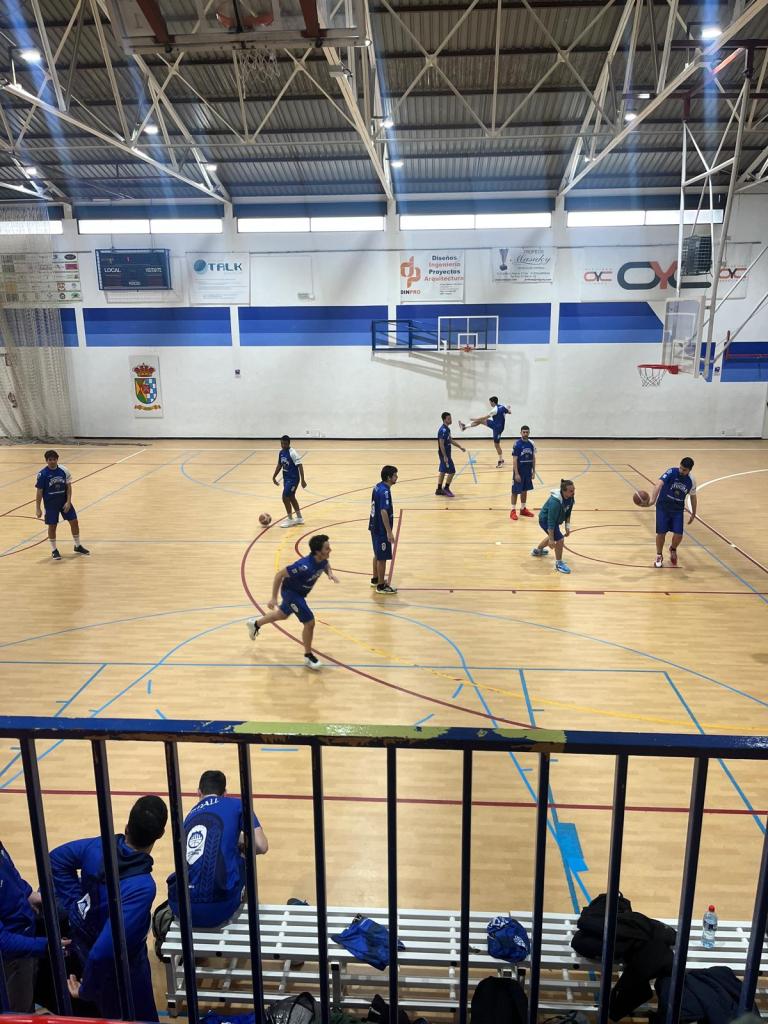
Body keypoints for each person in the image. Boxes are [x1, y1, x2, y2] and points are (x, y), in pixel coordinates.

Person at [49, 795, 168, 1022]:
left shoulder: (98, 847)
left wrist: (77, 906)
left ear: (127, 827)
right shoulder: (142, 887)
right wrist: (87, 990)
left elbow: (56, 860)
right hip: (121, 970)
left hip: (86, 946)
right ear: (160, 834)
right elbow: (104, 951)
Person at [167, 770, 268, 928]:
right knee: (243, 853)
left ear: (198, 792)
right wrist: (239, 843)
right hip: (218, 907)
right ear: (225, 793)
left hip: (180, 905)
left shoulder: (189, 817)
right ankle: (247, 915)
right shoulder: (237, 804)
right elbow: (261, 845)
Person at [245, 534, 338, 670]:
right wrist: (274, 597)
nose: (330, 550)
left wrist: (330, 573)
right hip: (291, 594)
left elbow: (325, 564)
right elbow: (279, 575)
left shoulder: (322, 559)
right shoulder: (303, 566)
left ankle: (255, 624)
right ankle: (308, 656)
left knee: (282, 615)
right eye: (327, 548)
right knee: (309, 623)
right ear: (318, 552)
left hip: (300, 593)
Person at [0, 838, 53, 1011]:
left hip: (26, 939)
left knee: (28, 995)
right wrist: (45, 946)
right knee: (18, 1011)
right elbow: (3, 942)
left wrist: (28, 893)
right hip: (11, 957)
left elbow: (9, 871)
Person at [35, 450, 89, 560]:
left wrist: (68, 502)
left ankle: (77, 546)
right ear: (46, 461)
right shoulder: (42, 474)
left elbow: (69, 487)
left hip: (64, 502)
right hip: (51, 505)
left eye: (54, 459)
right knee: (52, 526)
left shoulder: (64, 470)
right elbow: (39, 492)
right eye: (50, 460)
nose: (52, 461)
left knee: (74, 522)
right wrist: (38, 508)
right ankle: (54, 550)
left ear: (57, 459)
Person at [650, 457, 697, 568]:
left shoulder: (691, 481)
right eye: (680, 468)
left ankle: (673, 548)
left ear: (689, 470)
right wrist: (652, 500)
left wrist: (693, 513)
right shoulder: (671, 472)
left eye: (684, 470)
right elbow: (658, 484)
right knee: (661, 533)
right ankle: (659, 555)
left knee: (679, 535)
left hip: (677, 510)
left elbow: (693, 497)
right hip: (663, 507)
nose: (681, 471)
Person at [531, 479, 575, 574]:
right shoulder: (555, 502)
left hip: (554, 521)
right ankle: (559, 564)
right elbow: (550, 521)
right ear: (563, 491)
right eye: (571, 491)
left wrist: (567, 526)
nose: (573, 492)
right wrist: (551, 539)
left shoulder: (570, 497)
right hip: (545, 520)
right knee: (560, 539)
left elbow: (568, 513)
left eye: (574, 490)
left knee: (556, 536)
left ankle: (537, 551)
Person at [369, 465, 398, 595]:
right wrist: (389, 532)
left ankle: (375, 579)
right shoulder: (385, 491)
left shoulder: (377, 486)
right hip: (381, 529)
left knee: (377, 553)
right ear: (388, 477)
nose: (397, 477)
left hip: (374, 526)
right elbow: (383, 511)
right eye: (395, 475)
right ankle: (381, 586)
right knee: (382, 558)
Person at [459, 396, 510, 467]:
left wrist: (474, 419)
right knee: (481, 421)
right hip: (496, 424)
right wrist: (507, 410)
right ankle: (464, 427)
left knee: (497, 445)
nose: (490, 404)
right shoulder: (502, 407)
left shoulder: (494, 410)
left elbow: (484, 417)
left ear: (493, 402)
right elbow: (509, 412)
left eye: (490, 402)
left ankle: (500, 461)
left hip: (497, 428)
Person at [272, 435, 306, 528]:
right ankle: (299, 518)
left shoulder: (292, 453)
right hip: (286, 478)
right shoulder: (281, 452)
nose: (283, 445)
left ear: (289, 443)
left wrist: (303, 480)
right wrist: (274, 476)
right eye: (282, 443)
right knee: (291, 497)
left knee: (285, 497)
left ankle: (290, 519)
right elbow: (279, 465)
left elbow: (300, 465)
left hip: (293, 479)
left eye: (285, 444)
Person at [436, 412, 466, 497]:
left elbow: (450, 440)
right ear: (444, 420)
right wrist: (445, 456)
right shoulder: (443, 430)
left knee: (442, 471)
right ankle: (446, 488)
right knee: (452, 471)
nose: (451, 420)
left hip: (446, 454)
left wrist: (460, 447)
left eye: (451, 418)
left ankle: (439, 489)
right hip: (445, 454)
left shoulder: (447, 429)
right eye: (449, 419)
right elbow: (441, 444)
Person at [510, 425, 536, 520]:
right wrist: (516, 473)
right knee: (515, 491)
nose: (525, 434)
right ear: (520, 433)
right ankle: (513, 510)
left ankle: (523, 509)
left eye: (527, 432)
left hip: (527, 471)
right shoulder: (517, 444)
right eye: (523, 432)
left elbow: (533, 458)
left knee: (525, 490)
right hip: (519, 471)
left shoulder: (531, 444)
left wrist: (533, 471)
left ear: (529, 433)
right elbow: (514, 459)